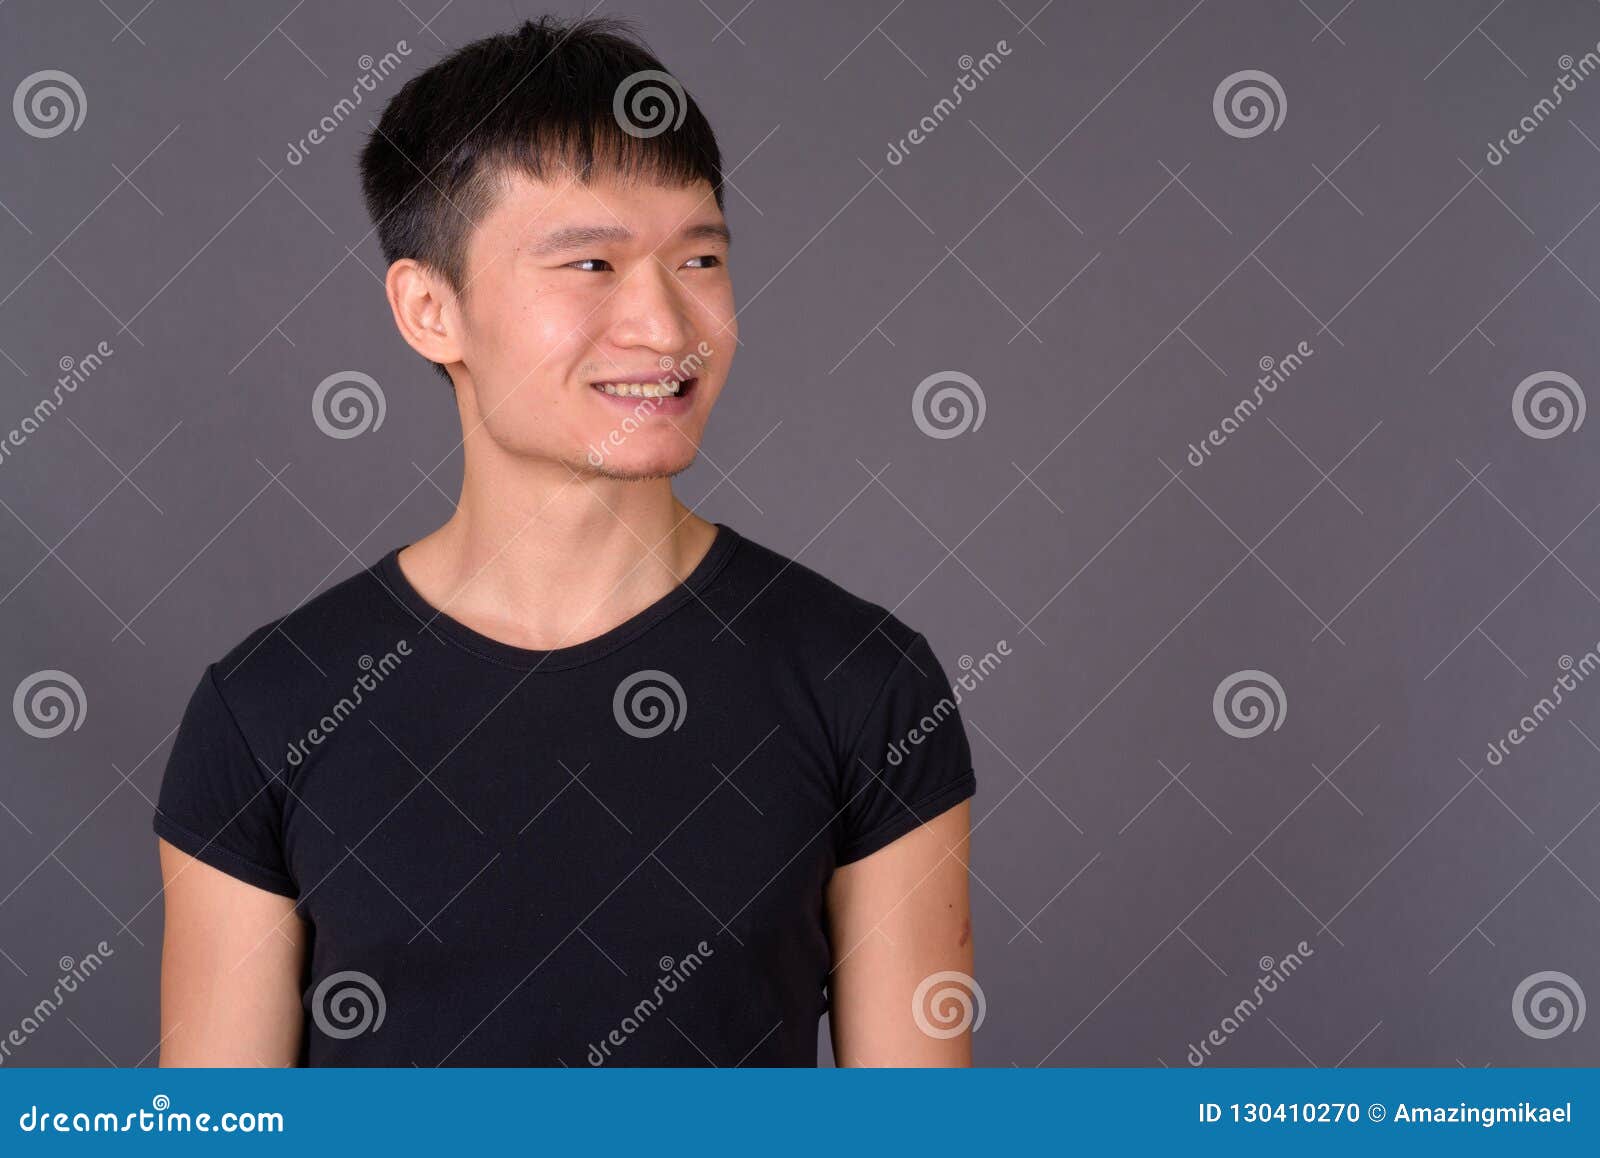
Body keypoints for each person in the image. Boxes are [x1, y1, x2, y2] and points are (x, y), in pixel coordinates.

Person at [152, 14, 976, 1067]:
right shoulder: (271, 707)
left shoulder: (862, 682)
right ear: (428, 310)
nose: (668, 328)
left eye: (701, 258)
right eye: (591, 262)